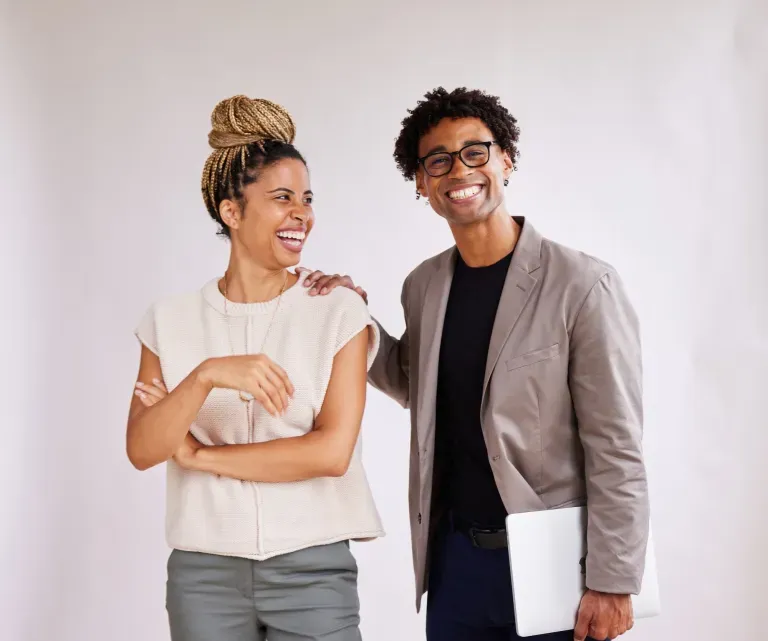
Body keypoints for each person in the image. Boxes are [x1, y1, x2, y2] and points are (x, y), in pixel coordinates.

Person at [301, 87, 650, 641]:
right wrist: (353, 316)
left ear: (505, 158)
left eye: (475, 151)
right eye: (437, 159)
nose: (458, 169)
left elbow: (616, 446)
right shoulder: (424, 284)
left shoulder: (582, 285)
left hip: (556, 565)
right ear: (421, 182)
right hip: (455, 565)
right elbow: (418, 383)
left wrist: (614, 580)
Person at [126, 95, 383, 641]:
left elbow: (330, 453)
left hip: (313, 571)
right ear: (232, 211)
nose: (303, 214)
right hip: (203, 576)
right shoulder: (168, 321)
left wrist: (197, 453)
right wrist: (205, 376)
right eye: (282, 197)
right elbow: (144, 448)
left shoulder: (338, 310)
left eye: (307, 199)